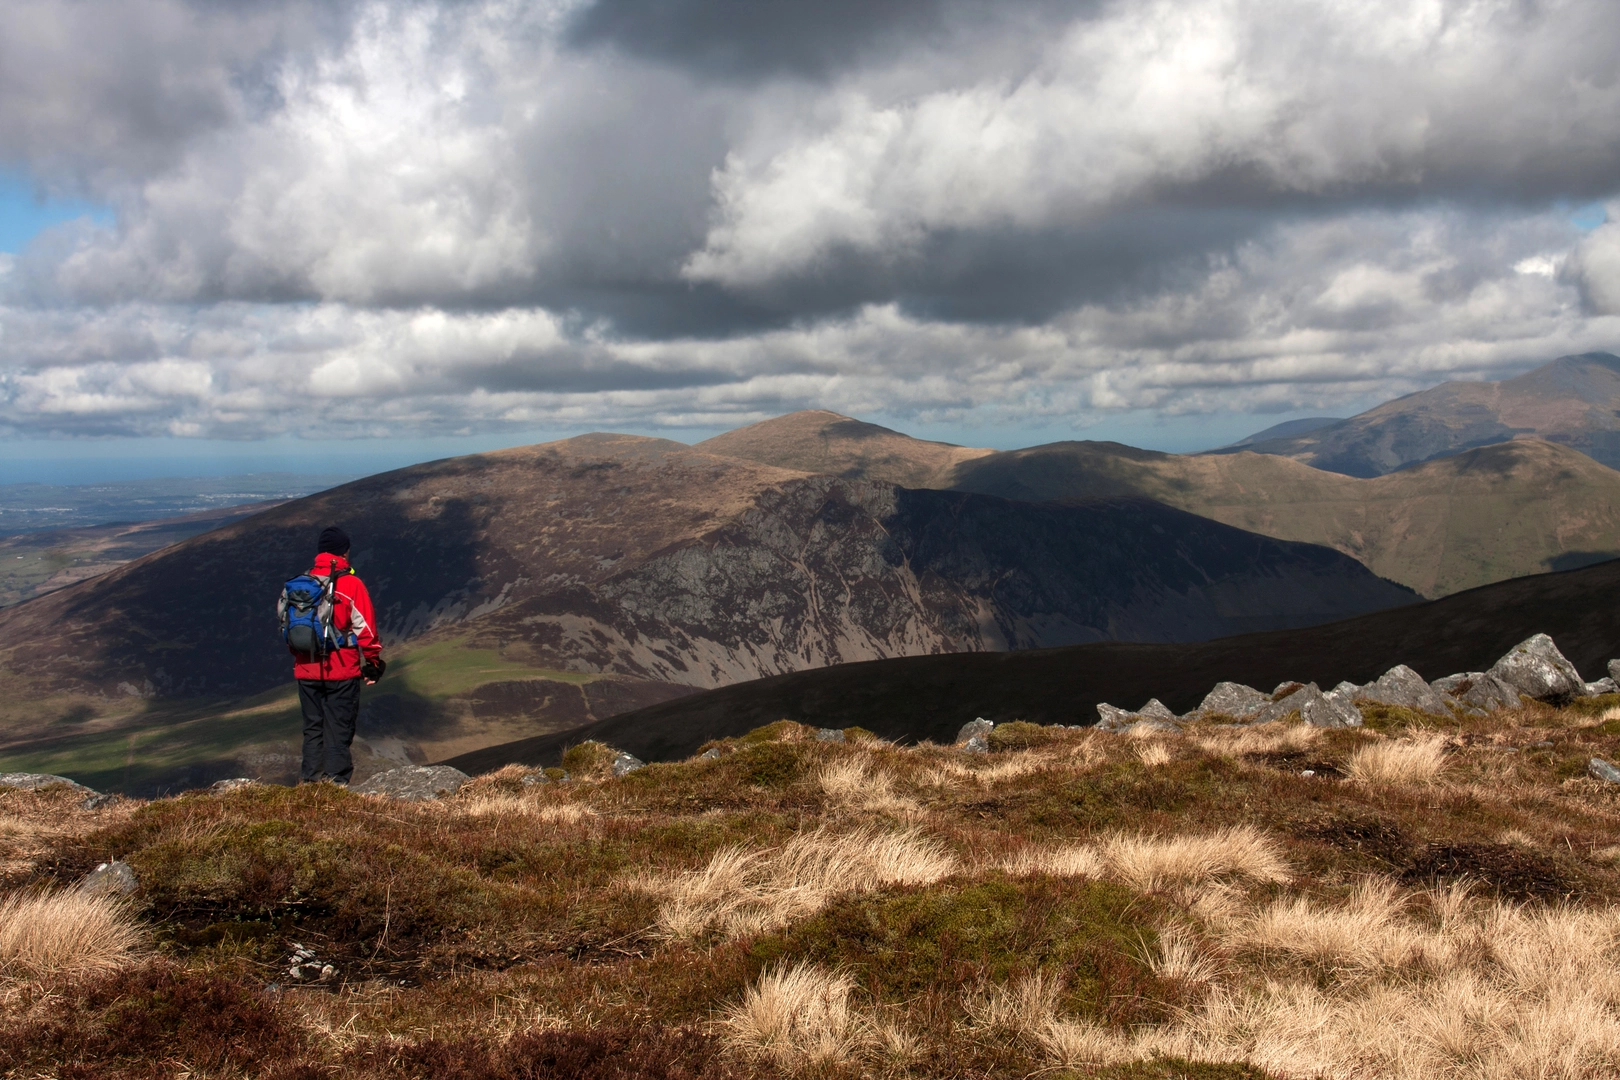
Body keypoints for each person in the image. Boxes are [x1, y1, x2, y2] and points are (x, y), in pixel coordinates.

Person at [291, 526, 383, 786]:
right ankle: (334, 784)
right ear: (345, 552)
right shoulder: (351, 584)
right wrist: (373, 662)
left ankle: (310, 782)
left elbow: (288, 626)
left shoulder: (301, 584)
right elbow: (366, 630)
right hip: (342, 670)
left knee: (312, 729)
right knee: (338, 729)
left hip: (306, 670)